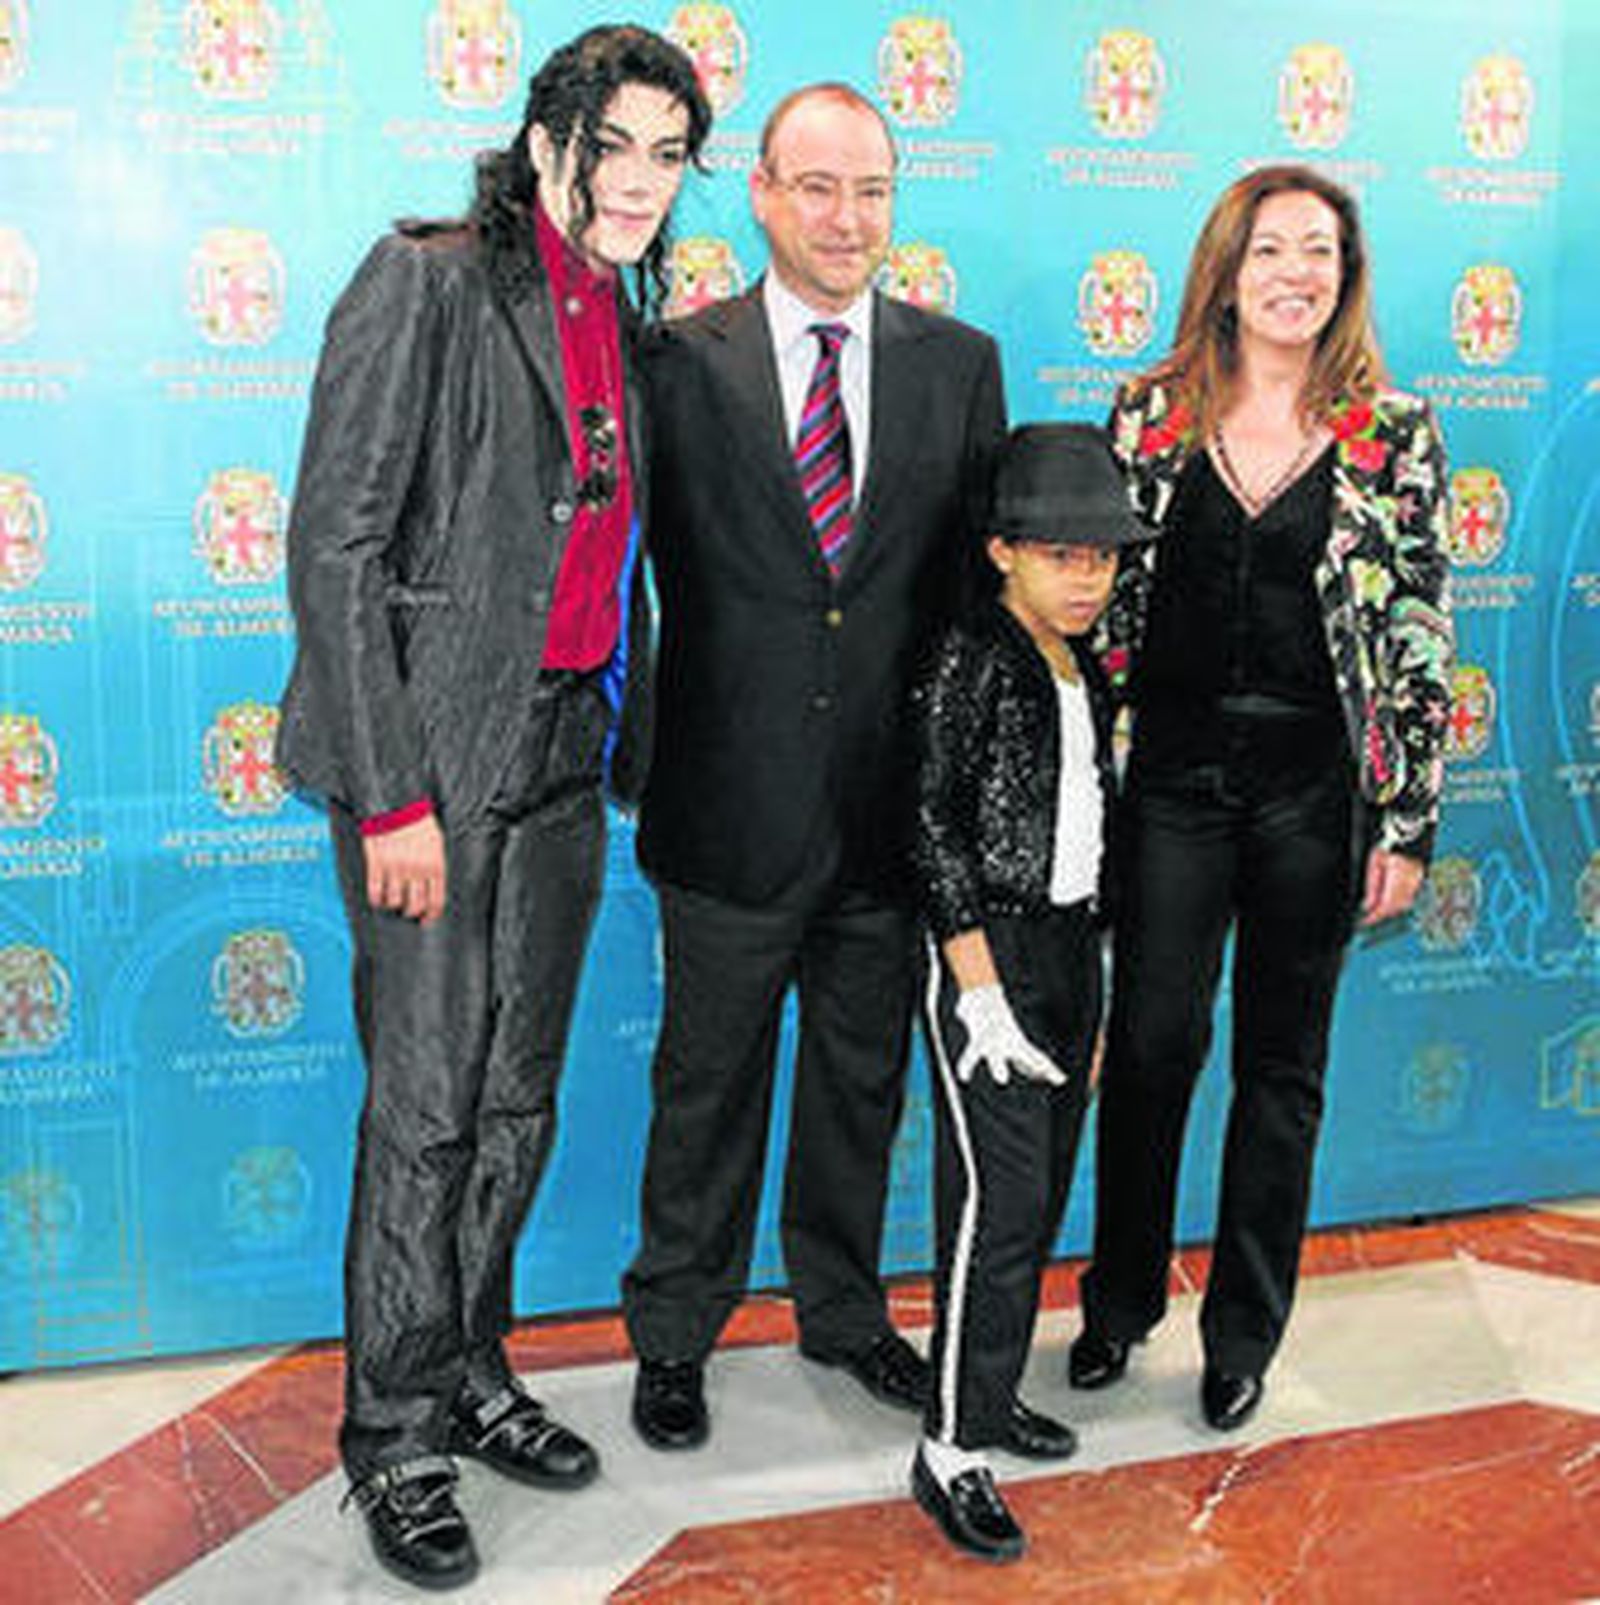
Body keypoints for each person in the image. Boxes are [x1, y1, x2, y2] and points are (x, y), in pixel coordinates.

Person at [275, 26, 710, 1590]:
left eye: (671, 152)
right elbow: (333, 550)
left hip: (564, 760)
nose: (644, 180)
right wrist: (390, 797)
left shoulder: (623, 303)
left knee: (517, 1095)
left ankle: (463, 1362)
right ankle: (391, 1433)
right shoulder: (435, 280)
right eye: (619, 145)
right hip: (432, 772)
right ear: (547, 143)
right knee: (429, 1104)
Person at [621, 82, 1006, 1451]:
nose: (849, 218)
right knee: (705, 1084)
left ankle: (844, 1315)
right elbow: (618, 577)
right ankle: (673, 1334)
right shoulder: (672, 362)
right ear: (766, 196)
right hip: (722, 809)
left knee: (861, 1083)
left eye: (875, 191)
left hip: (888, 818)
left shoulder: (961, 366)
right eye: (820, 188)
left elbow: (970, 606)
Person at [1067, 165, 1454, 1432]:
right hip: (1170, 786)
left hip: (1313, 795)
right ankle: (1117, 1306)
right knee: (1154, 1047)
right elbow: (1094, 622)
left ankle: (1243, 1335)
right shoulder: (1147, 417)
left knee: (1282, 1070)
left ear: (1346, 277)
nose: (1297, 274)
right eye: (1272, 250)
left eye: (1322, 253)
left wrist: (1405, 824)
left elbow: (1417, 635)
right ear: (1225, 270)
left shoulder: (1392, 434)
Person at [909, 424, 1140, 1562]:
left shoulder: (1081, 663)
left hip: (1063, 957)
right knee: (994, 1212)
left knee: (1036, 1197)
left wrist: (1082, 990)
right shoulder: (974, 656)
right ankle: (951, 1446)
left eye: (1102, 558)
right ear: (1002, 551)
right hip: (983, 957)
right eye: (1061, 555)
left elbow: (1089, 832)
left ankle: (988, 1393)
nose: (1086, 577)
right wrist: (979, 993)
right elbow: (934, 824)